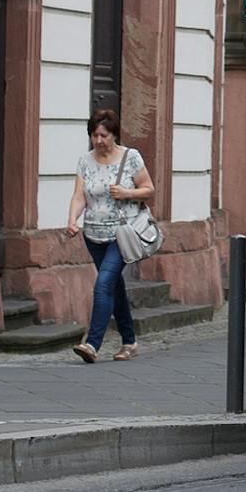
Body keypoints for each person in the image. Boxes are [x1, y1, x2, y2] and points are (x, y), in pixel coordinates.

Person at [64, 109, 155, 362]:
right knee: (114, 286)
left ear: (114, 134)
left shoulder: (130, 157)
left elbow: (148, 189)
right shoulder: (85, 160)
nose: (99, 141)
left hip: (122, 235)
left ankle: (92, 344)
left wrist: (127, 193)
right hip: (93, 234)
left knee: (103, 284)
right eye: (94, 135)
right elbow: (80, 195)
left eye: (103, 135)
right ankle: (130, 341)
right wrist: (73, 219)